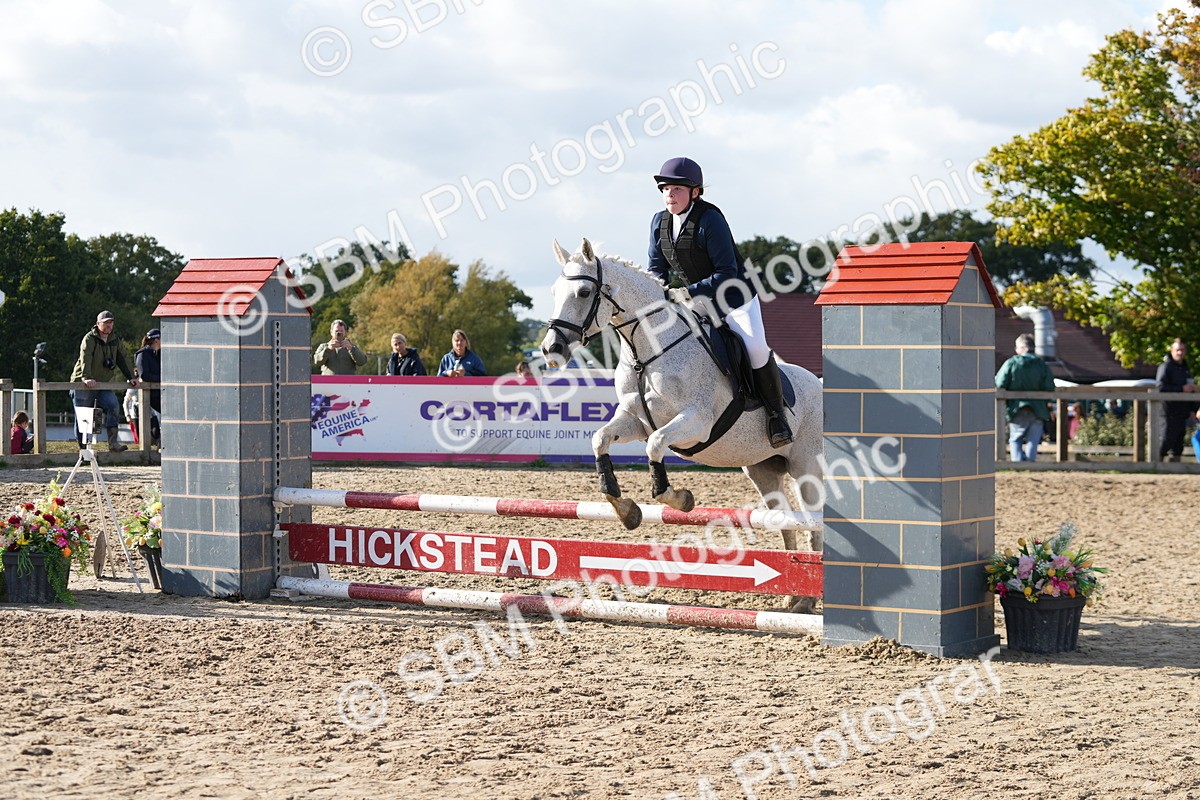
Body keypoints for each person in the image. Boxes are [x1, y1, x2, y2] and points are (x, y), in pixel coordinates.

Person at [646, 156, 792, 448]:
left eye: (676, 189)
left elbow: (726, 272)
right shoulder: (659, 221)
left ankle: (778, 417)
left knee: (755, 348)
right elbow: (656, 269)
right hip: (697, 300)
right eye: (665, 189)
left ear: (695, 192)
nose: (669, 195)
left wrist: (686, 293)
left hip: (734, 297)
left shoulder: (710, 219)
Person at [70, 310, 139, 451]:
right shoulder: (89, 339)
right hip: (82, 383)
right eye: (106, 322)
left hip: (101, 384)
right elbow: (86, 359)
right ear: (98, 324)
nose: (109, 325)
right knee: (83, 416)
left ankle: (113, 443)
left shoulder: (115, 340)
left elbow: (123, 358)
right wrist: (86, 377)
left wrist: (131, 377)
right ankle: (83, 449)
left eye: (111, 322)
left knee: (113, 405)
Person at [995, 333, 1056, 461]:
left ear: (1022, 348)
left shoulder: (1011, 363)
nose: (1015, 350)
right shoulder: (1042, 365)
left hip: (1017, 408)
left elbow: (999, 383)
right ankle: (1030, 465)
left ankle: (1017, 465)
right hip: (1038, 409)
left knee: (1015, 439)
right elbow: (1049, 386)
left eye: (1017, 347)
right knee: (1033, 440)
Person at [1155, 338, 1198, 462]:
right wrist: (1181, 388)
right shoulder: (1165, 367)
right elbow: (1161, 387)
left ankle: (1174, 468)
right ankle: (1155, 464)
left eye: (1182, 350)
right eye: (1178, 350)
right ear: (1172, 351)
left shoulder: (1185, 368)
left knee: (1178, 442)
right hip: (1168, 411)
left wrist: (1192, 409)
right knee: (1166, 439)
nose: (1180, 353)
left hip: (1182, 411)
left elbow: (1190, 389)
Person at [135, 328, 162, 444]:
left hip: (162, 392)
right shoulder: (143, 354)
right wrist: (163, 379)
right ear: (156, 340)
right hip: (152, 395)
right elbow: (144, 374)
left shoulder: (160, 353)